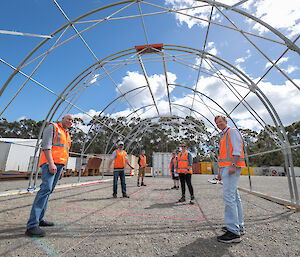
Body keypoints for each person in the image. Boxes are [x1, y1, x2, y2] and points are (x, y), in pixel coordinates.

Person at [25, 114, 74, 237]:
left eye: (72, 121)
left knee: (48, 191)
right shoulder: (52, 127)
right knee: (45, 190)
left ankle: (40, 219)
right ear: (62, 118)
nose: (70, 121)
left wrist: (62, 168)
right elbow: (46, 146)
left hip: (59, 165)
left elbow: (65, 152)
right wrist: (51, 163)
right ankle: (32, 225)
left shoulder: (67, 134)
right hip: (49, 163)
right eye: (68, 119)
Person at [215, 115, 245, 243]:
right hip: (225, 168)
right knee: (234, 197)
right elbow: (222, 156)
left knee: (229, 197)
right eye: (217, 123)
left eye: (220, 122)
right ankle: (239, 226)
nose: (219, 124)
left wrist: (233, 165)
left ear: (226, 121)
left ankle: (233, 231)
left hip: (231, 167)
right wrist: (220, 172)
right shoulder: (223, 135)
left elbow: (237, 149)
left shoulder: (231, 131)